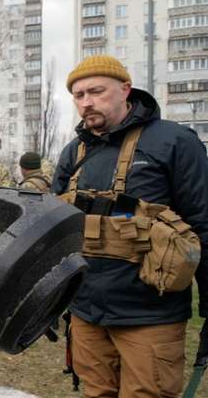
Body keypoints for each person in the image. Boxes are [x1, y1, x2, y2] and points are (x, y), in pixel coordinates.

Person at [53, 55, 208, 398]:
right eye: (78, 95)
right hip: (86, 312)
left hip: (151, 315)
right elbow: (53, 230)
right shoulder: (72, 152)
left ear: (125, 90)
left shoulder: (175, 142)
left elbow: (203, 224)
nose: (86, 102)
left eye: (96, 91)